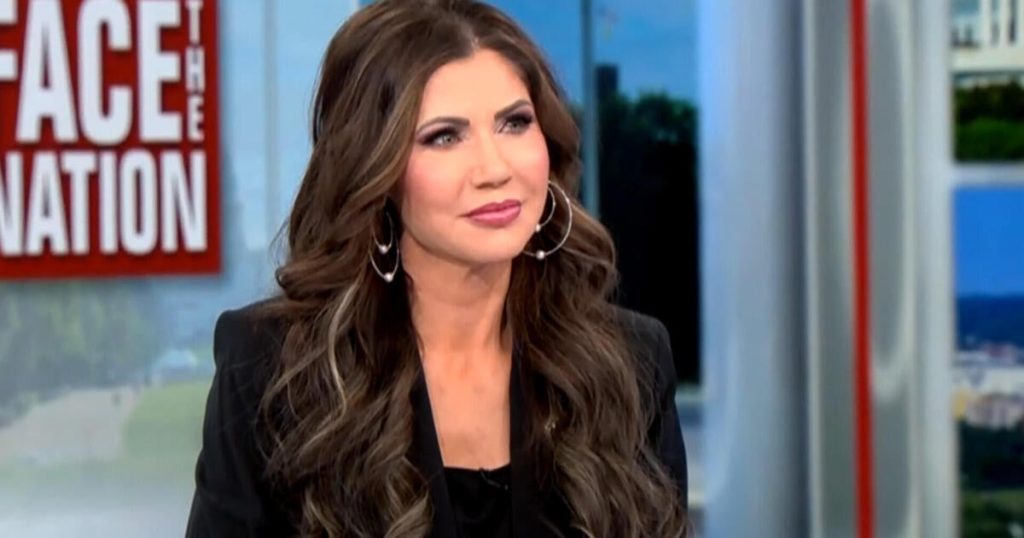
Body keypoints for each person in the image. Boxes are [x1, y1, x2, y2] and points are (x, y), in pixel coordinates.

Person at [185, 1, 688, 536]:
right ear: (374, 167)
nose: (494, 169)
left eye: (515, 123)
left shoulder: (629, 366)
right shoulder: (271, 372)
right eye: (445, 136)